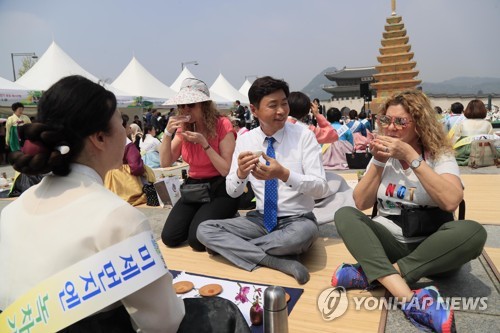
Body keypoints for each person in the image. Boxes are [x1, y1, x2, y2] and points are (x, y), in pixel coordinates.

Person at [0, 75, 249, 333]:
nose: (127, 131)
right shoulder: (118, 218)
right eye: (121, 121)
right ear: (99, 138)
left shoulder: (11, 211)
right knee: (222, 313)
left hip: (218, 189)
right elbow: (164, 322)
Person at [333, 90, 486, 333]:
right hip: (390, 242)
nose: (391, 128)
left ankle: (377, 273)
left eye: (401, 121)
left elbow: (450, 201)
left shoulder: (439, 155)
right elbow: (360, 201)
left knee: (473, 232)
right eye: (386, 120)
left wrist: (413, 158)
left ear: (420, 123)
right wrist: (379, 162)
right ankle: (409, 299)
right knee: (345, 215)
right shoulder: (382, 156)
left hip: (433, 249)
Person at [197, 76, 330, 284]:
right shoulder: (245, 140)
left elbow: (321, 188)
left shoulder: (304, 136)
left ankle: (234, 249)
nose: (281, 111)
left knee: (304, 234)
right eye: (273, 105)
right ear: (254, 109)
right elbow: (233, 192)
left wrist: (284, 174)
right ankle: (276, 259)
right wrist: (240, 174)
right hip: (260, 220)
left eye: (284, 103)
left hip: (297, 219)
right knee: (205, 230)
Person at [159, 78, 239, 251]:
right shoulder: (184, 127)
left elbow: (226, 169)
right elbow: (165, 162)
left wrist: (205, 144)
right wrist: (167, 133)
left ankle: (230, 219)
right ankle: (205, 216)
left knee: (197, 241)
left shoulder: (222, 124)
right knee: (170, 237)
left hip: (220, 187)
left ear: (204, 105)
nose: (186, 110)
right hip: (194, 188)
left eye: (191, 104)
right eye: (182, 105)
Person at [105, 114, 154, 206]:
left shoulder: (106, 142)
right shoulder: (127, 144)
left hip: (107, 180)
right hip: (124, 182)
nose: (129, 128)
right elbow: (136, 167)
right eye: (127, 125)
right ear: (121, 127)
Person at [451, 99, 494, 165]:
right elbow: (491, 141)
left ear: (468, 110)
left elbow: (455, 141)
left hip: (464, 153)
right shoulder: (487, 124)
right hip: (481, 153)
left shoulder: (462, 123)